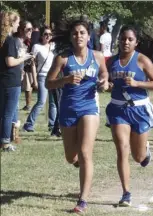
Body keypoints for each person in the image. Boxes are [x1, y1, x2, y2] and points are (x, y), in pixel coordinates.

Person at [46, 19, 109, 213]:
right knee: (70, 156)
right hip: (68, 109)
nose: (79, 36)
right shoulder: (63, 58)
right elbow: (49, 83)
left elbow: (105, 75)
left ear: (89, 36)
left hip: (89, 107)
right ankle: (79, 165)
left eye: (82, 32)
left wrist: (104, 83)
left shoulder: (97, 56)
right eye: (75, 33)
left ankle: (82, 201)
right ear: (71, 37)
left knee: (84, 152)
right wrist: (64, 79)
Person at [105, 24, 153, 207]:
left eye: (130, 39)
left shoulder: (142, 60)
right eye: (123, 39)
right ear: (118, 41)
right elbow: (106, 81)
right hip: (118, 110)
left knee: (138, 157)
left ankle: (145, 151)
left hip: (139, 110)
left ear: (136, 42)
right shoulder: (111, 61)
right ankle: (126, 193)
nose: (126, 42)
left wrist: (138, 83)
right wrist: (106, 85)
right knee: (122, 149)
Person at [0, 18, 34, 151]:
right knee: (8, 113)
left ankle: (5, 139)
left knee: (4, 113)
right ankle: (5, 142)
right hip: (11, 81)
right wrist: (24, 58)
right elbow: (10, 62)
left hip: (4, 80)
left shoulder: (4, 40)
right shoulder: (10, 40)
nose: (18, 25)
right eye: (17, 22)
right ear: (10, 23)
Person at [23, 25, 57, 132]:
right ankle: (29, 124)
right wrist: (34, 80)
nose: (48, 36)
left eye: (50, 34)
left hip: (54, 76)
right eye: (45, 34)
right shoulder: (37, 46)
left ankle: (52, 125)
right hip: (42, 75)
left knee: (53, 102)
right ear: (41, 36)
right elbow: (32, 64)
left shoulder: (54, 46)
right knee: (41, 101)